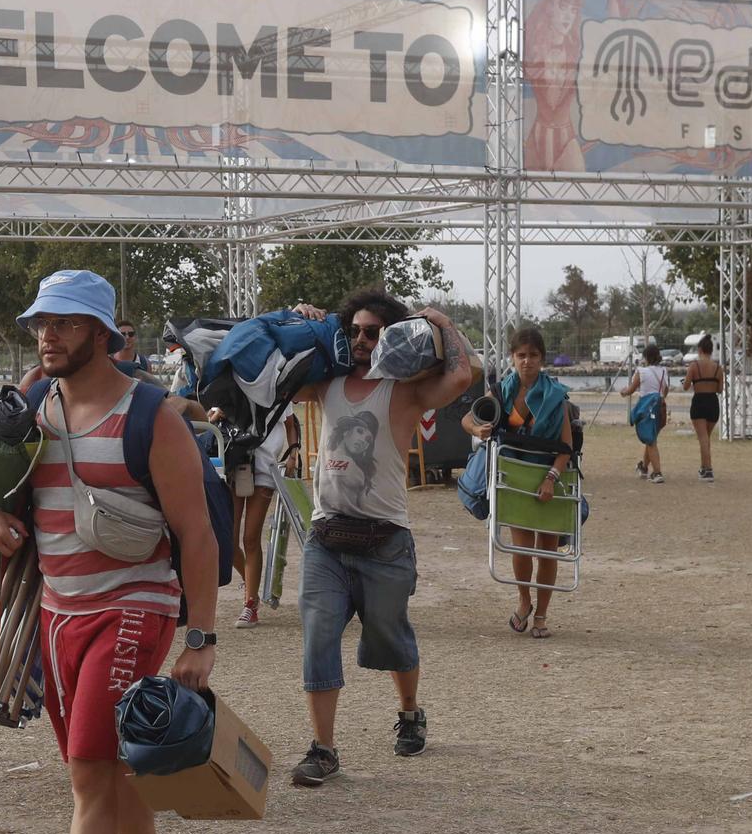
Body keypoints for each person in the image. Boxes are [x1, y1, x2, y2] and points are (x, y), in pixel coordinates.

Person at [0, 269, 218, 834]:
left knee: (87, 769)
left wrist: (199, 635)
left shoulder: (152, 415)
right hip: (58, 613)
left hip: (132, 607)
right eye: (41, 322)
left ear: (104, 333)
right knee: (104, 770)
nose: (48, 335)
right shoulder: (32, 407)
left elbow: (197, 535)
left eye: (67, 323)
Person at [287, 290, 475, 786]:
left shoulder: (406, 391)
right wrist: (301, 318)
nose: (362, 340)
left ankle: (410, 712)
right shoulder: (324, 383)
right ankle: (323, 749)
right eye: (354, 331)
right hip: (326, 539)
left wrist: (442, 322)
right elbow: (279, 375)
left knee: (391, 639)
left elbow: (463, 374)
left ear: (392, 335)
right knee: (318, 637)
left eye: (374, 332)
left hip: (385, 541)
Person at [463, 326, 574, 638]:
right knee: (522, 549)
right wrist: (477, 431)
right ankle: (524, 601)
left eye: (533, 355)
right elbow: (467, 419)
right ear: (512, 357)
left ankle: (541, 615)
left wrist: (551, 479)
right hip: (513, 478)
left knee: (548, 550)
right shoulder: (501, 392)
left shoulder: (556, 396)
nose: (527, 361)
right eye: (521, 355)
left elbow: (566, 447)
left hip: (549, 478)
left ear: (542, 359)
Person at [231, 415, 292, 629]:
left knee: (250, 538)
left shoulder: (274, 382)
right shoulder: (233, 381)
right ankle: (250, 584)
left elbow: (291, 421)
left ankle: (250, 604)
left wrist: (293, 452)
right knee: (227, 541)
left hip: (264, 466)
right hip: (235, 459)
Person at [622, 343, 670, 483]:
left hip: (646, 409)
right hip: (659, 408)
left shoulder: (641, 371)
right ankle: (643, 468)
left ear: (646, 357)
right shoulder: (663, 371)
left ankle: (657, 472)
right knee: (651, 438)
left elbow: (631, 390)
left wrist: (623, 392)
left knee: (651, 442)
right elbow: (666, 390)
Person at [682, 336, 723, 481]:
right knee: (705, 438)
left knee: (703, 438)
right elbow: (720, 389)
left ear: (699, 350)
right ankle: (704, 467)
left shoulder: (694, 366)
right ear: (711, 351)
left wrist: (694, 382)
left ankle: (708, 470)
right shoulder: (718, 368)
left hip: (699, 401)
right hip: (713, 402)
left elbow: (686, 386)